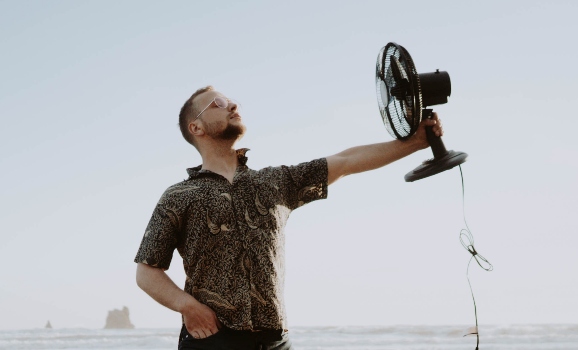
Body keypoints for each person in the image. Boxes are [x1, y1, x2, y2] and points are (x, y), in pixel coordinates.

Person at [134, 86, 443, 350]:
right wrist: (188, 307)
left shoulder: (275, 182)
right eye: (218, 103)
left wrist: (415, 142)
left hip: (275, 341)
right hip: (211, 340)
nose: (232, 105)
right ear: (196, 127)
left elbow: (346, 161)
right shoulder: (178, 196)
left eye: (231, 101)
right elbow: (147, 272)